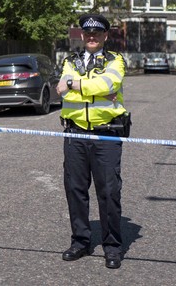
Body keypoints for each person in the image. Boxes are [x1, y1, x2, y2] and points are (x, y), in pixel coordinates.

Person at [56, 13, 128, 269]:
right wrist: (91, 87)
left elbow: (110, 83)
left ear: (105, 36)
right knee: (75, 190)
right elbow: (62, 89)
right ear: (83, 36)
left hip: (106, 133)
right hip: (75, 133)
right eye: (88, 33)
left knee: (109, 192)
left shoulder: (115, 59)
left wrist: (74, 84)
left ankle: (112, 247)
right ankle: (80, 242)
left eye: (97, 33)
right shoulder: (70, 61)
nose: (92, 37)